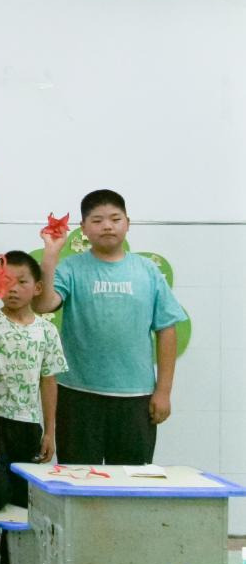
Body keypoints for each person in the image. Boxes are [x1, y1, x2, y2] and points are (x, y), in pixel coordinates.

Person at [32, 189, 186, 464]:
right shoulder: (71, 268)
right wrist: (51, 254)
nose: (107, 226)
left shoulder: (147, 271)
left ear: (128, 223)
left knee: (130, 481)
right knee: (79, 479)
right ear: (83, 228)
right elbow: (43, 305)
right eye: (97, 220)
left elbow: (166, 330)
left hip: (135, 397)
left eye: (115, 219)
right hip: (77, 395)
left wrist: (163, 392)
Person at [0, 251, 67, 510]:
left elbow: (48, 381)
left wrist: (50, 432)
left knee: (24, 500)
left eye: (22, 282)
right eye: (5, 281)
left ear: (37, 288)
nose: (12, 288)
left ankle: (13, 541)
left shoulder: (47, 331)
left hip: (27, 423)